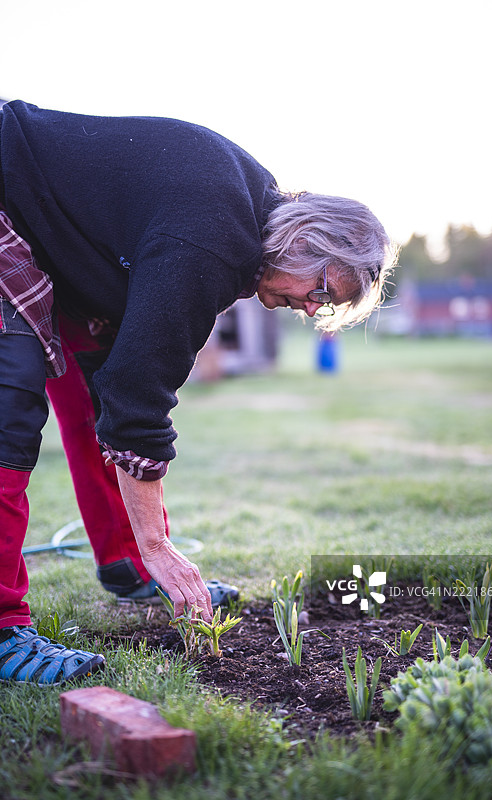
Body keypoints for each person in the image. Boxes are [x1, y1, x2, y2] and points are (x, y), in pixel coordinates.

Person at [0, 100, 396, 685]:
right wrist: (162, 542)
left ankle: (128, 565)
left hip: (53, 239)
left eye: (328, 304)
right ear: (304, 238)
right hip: (11, 199)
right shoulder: (214, 240)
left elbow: (122, 389)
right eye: (321, 287)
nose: (313, 308)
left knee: (96, 397)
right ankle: (6, 629)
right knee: (10, 404)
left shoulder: (251, 213)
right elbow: (141, 401)